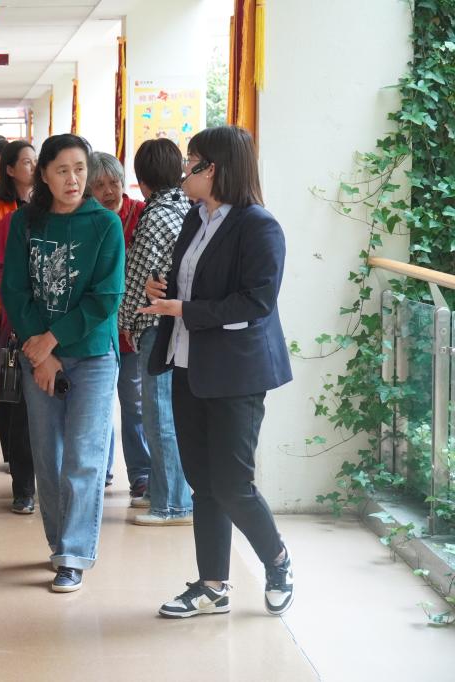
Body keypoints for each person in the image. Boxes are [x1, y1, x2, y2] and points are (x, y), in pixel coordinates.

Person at [139, 125, 294, 618]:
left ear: (217, 169)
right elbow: (192, 282)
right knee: (203, 484)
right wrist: (163, 290)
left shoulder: (258, 226)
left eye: (194, 162)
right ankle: (212, 585)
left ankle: (278, 561)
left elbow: (255, 302)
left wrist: (184, 309)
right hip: (189, 364)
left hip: (236, 373)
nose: (185, 170)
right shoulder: (195, 217)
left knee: (232, 485)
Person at [1, 134, 125, 593]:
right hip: (39, 353)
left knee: (84, 456)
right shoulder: (25, 222)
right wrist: (43, 352)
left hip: (92, 355)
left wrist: (52, 340)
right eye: (62, 170)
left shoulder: (105, 224)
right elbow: (15, 289)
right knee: (48, 456)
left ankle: (73, 554)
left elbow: (106, 297)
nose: (73, 179)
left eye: (80, 169)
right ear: (44, 175)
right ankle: (60, 544)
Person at [116, 140, 194, 526]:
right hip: (181, 326)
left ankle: (173, 504)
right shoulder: (187, 207)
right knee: (168, 413)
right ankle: (163, 493)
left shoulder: (155, 214)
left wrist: (124, 321)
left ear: (141, 179)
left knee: (158, 414)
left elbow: (136, 277)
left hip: (157, 325)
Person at [87, 152, 151, 500]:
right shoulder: (86, 220)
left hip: (132, 331)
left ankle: (141, 474)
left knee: (134, 404)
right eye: (100, 185)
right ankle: (101, 469)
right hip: (96, 329)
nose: (109, 191)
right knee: (96, 405)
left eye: (114, 183)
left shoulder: (141, 215)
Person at [0, 139, 36, 513]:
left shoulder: (72, 216)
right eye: (27, 162)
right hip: (12, 323)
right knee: (15, 406)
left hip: (55, 329)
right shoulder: (5, 215)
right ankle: (23, 486)